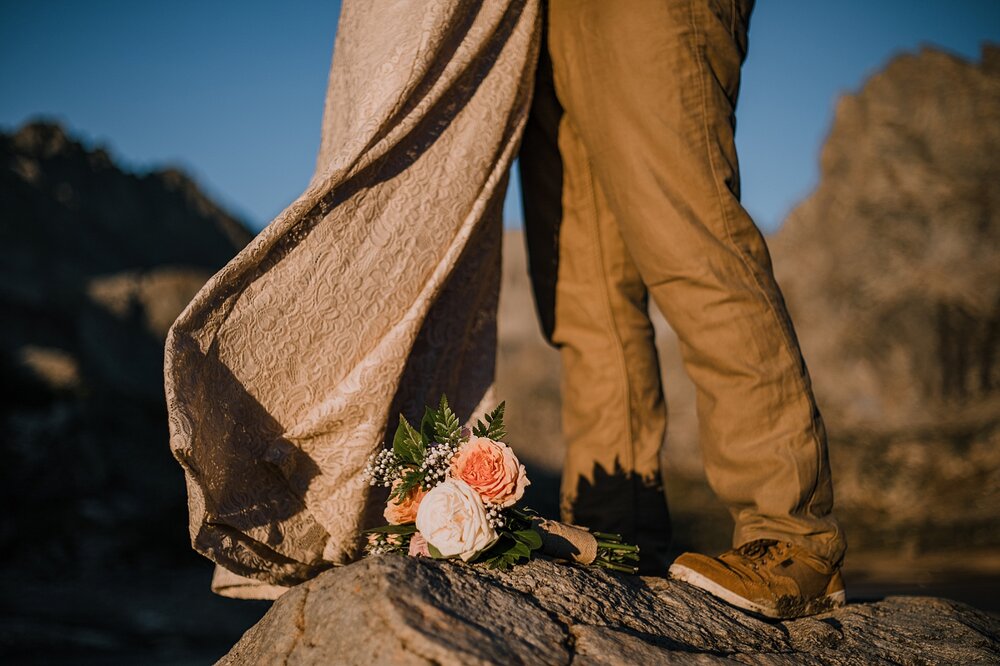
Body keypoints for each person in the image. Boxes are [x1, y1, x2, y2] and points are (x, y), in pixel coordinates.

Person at [517, 0, 847, 619]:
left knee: (694, 247)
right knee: (581, 297)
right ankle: (614, 530)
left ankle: (793, 539)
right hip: (537, 19)